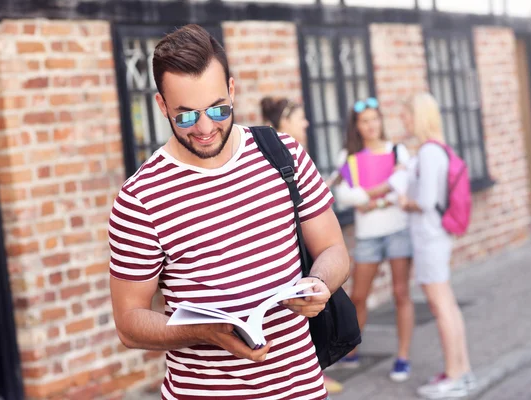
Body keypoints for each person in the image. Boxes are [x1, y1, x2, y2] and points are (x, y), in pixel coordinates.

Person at [108, 24, 350, 400]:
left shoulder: (282, 153)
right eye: (185, 116)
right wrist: (202, 331)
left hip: (302, 390)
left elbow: (334, 249)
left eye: (218, 109)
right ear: (161, 106)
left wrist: (319, 283)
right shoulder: (140, 197)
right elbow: (129, 324)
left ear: (232, 90)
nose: (205, 128)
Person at [260, 96, 344, 395]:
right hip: (294, 252)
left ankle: (315, 369)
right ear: (283, 122)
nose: (306, 123)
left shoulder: (293, 154)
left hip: (311, 246)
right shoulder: (275, 155)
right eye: (298, 117)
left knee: (311, 309)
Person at [397, 92, 475, 399]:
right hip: (435, 236)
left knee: (440, 306)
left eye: (406, 114)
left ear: (419, 117)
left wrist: (405, 201)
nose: (403, 120)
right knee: (448, 304)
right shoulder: (435, 149)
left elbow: (428, 201)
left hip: (430, 237)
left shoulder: (429, 152)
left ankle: (454, 376)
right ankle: (462, 371)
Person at [334, 97, 415, 382]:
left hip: (397, 230)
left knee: (401, 293)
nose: (370, 125)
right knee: (358, 296)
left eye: (374, 119)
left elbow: (402, 187)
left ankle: (403, 357)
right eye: (364, 121)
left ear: (381, 121)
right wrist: (379, 194)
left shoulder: (397, 151)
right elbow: (343, 195)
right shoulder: (348, 157)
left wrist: (370, 195)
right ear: (357, 126)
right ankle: (352, 351)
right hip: (368, 234)